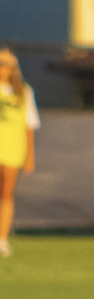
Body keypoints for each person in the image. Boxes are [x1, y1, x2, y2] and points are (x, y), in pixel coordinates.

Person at [0, 48, 38, 258]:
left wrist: (30, 155)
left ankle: (2, 239)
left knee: (6, 193)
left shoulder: (23, 91)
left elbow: (29, 126)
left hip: (13, 148)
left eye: (6, 63)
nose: (3, 68)